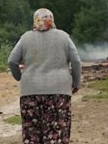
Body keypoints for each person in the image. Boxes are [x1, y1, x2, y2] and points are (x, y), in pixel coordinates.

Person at [8, 8, 82, 143]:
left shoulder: (25, 38)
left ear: (35, 21)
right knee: (56, 130)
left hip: (30, 93)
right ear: (52, 20)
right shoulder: (63, 37)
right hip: (58, 93)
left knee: (32, 133)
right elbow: (76, 61)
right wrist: (76, 83)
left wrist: (20, 77)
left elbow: (12, 61)